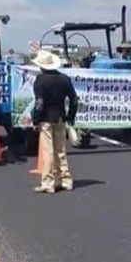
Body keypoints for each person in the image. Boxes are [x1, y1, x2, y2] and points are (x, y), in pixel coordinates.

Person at [30, 50, 78, 193]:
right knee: (60, 150)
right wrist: (71, 116)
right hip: (60, 117)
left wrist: (35, 119)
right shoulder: (64, 79)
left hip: (46, 118)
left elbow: (39, 103)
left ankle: (48, 183)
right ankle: (66, 180)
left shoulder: (40, 80)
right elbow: (74, 100)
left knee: (48, 152)